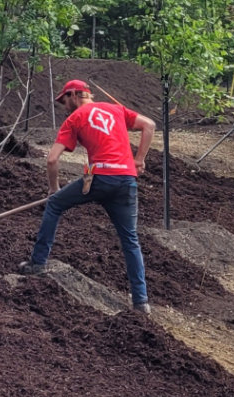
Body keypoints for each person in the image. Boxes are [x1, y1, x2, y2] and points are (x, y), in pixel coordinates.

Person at [18, 79, 156, 315]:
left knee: (54, 205)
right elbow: (149, 125)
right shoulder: (116, 110)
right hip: (126, 181)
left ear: (74, 94)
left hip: (100, 178)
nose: (64, 106)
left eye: (64, 100)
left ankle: (37, 263)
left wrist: (54, 190)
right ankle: (141, 302)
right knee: (130, 239)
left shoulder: (74, 119)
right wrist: (139, 159)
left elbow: (52, 160)